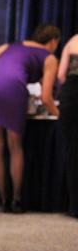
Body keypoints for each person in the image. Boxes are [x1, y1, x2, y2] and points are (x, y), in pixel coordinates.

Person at [0, 24, 60, 213]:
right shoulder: (49, 57)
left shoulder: (11, 46)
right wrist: (60, 116)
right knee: (15, 146)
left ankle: (3, 200)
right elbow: (46, 98)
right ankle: (16, 200)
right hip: (13, 88)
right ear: (53, 41)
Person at [56, 32, 78, 218]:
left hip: (71, 96)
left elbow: (61, 75)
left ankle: (74, 206)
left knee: (73, 151)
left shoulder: (72, 41)